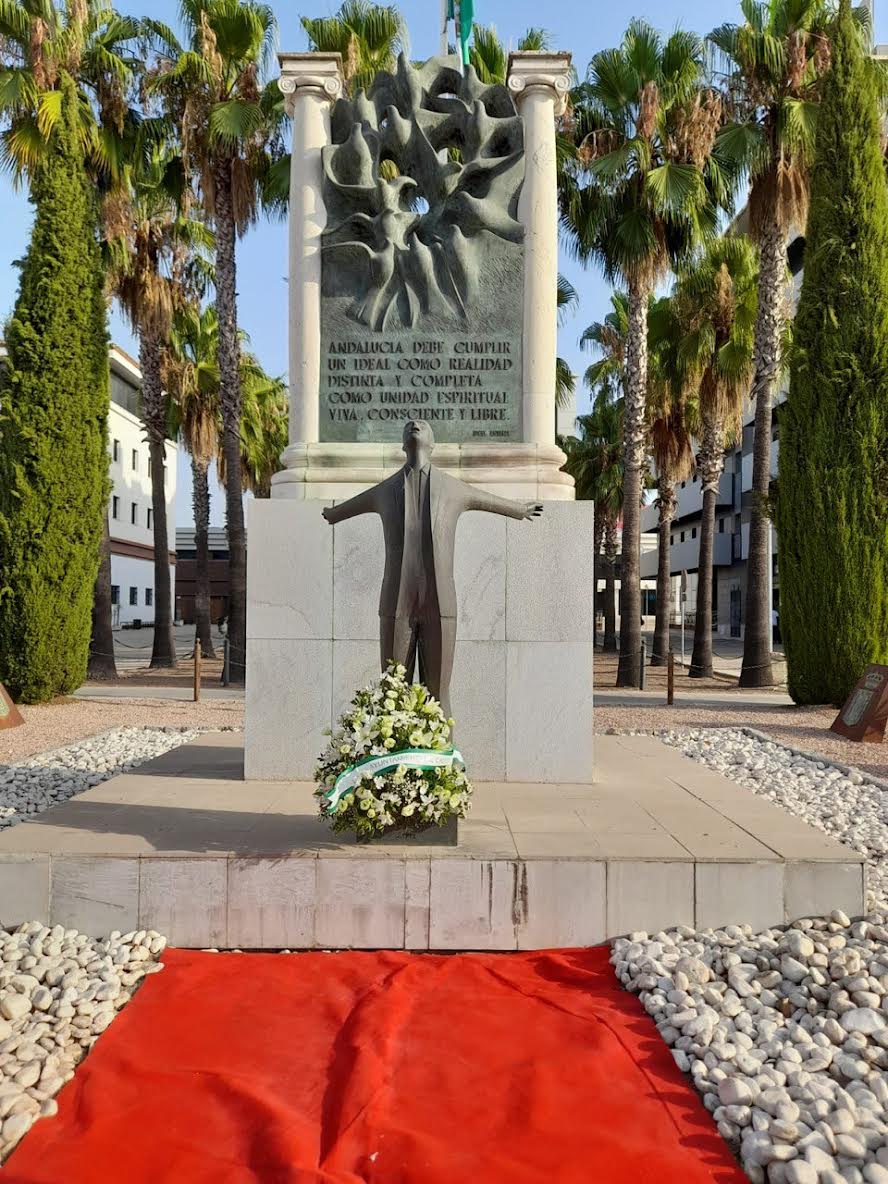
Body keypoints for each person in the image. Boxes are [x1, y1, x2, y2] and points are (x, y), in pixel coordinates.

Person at [321, 419, 541, 715]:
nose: (415, 424)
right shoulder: (384, 491)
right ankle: (393, 745)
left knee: (437, 692)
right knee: (392, 691)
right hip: (396, 603)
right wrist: (333, 513)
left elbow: (486, 499)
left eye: (422, 425)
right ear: (402, 444)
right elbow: (343, 510)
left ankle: (441, 746)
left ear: (433, 444)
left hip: (440, 603)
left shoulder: (453, 488)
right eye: (410, 426)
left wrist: (520, 510)